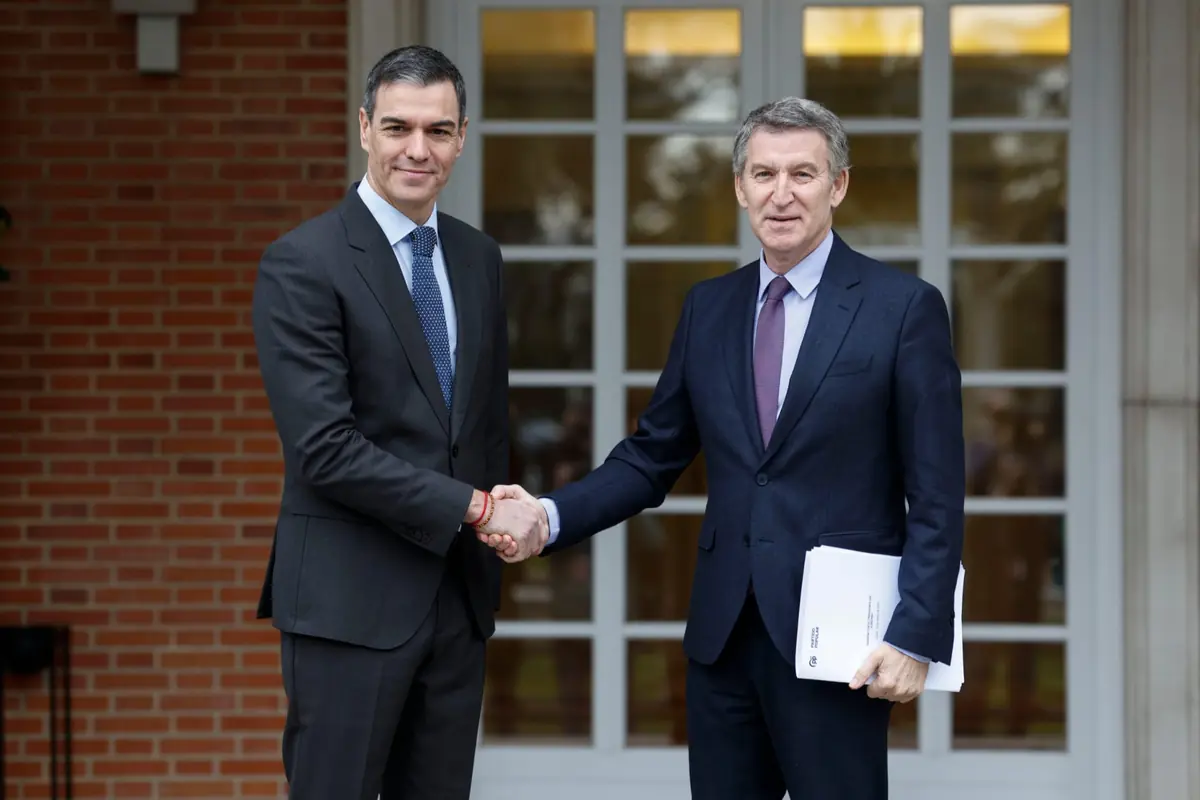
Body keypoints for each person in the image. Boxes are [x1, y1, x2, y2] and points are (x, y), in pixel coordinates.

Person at [485, 97, 965, 799]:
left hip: (838, 646)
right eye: (763, 174)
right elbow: (653, 456)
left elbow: (936, 491)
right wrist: (549, 517)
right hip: (722, 639)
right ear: (740, 188)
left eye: (803, 174)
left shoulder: (902, 308)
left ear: (838, 186)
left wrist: (916, 633)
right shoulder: (709, 307)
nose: (782, 193)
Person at [251, 45, 548, 800]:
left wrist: (505, 514)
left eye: (439, 130)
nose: (419, 149)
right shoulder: (303, 262)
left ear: (462, 135)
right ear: (364, 129)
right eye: (398, 127)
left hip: (457, 602)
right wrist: (475, 507)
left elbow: (478, 425)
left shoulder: (479, 258)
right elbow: (324, 448)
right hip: (350, 602)